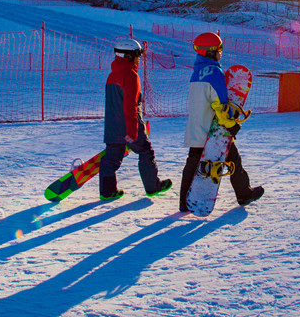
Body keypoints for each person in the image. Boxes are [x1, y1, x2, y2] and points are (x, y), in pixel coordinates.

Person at [179, 32, 263, 213]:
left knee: (193, 162)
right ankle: (244, 193)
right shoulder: (215, 73)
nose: (221, 53)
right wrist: (231, 125)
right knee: (234, 158)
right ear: (210, 52)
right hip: (213, 133)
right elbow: (220, 105)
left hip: (195, 129)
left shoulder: (196, 72)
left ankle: (184, 202)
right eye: (219, 49)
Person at [100, 37, 171, 201]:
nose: (139, 58)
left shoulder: (112, 76)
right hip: (128, 123)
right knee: (146, 151)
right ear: (129, 55)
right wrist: (132, 130)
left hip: (112, 126)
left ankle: (107, 191)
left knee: (111, 158)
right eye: (138, 54)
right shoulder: (131, 75)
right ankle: (153, 186)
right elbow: (130, 105)